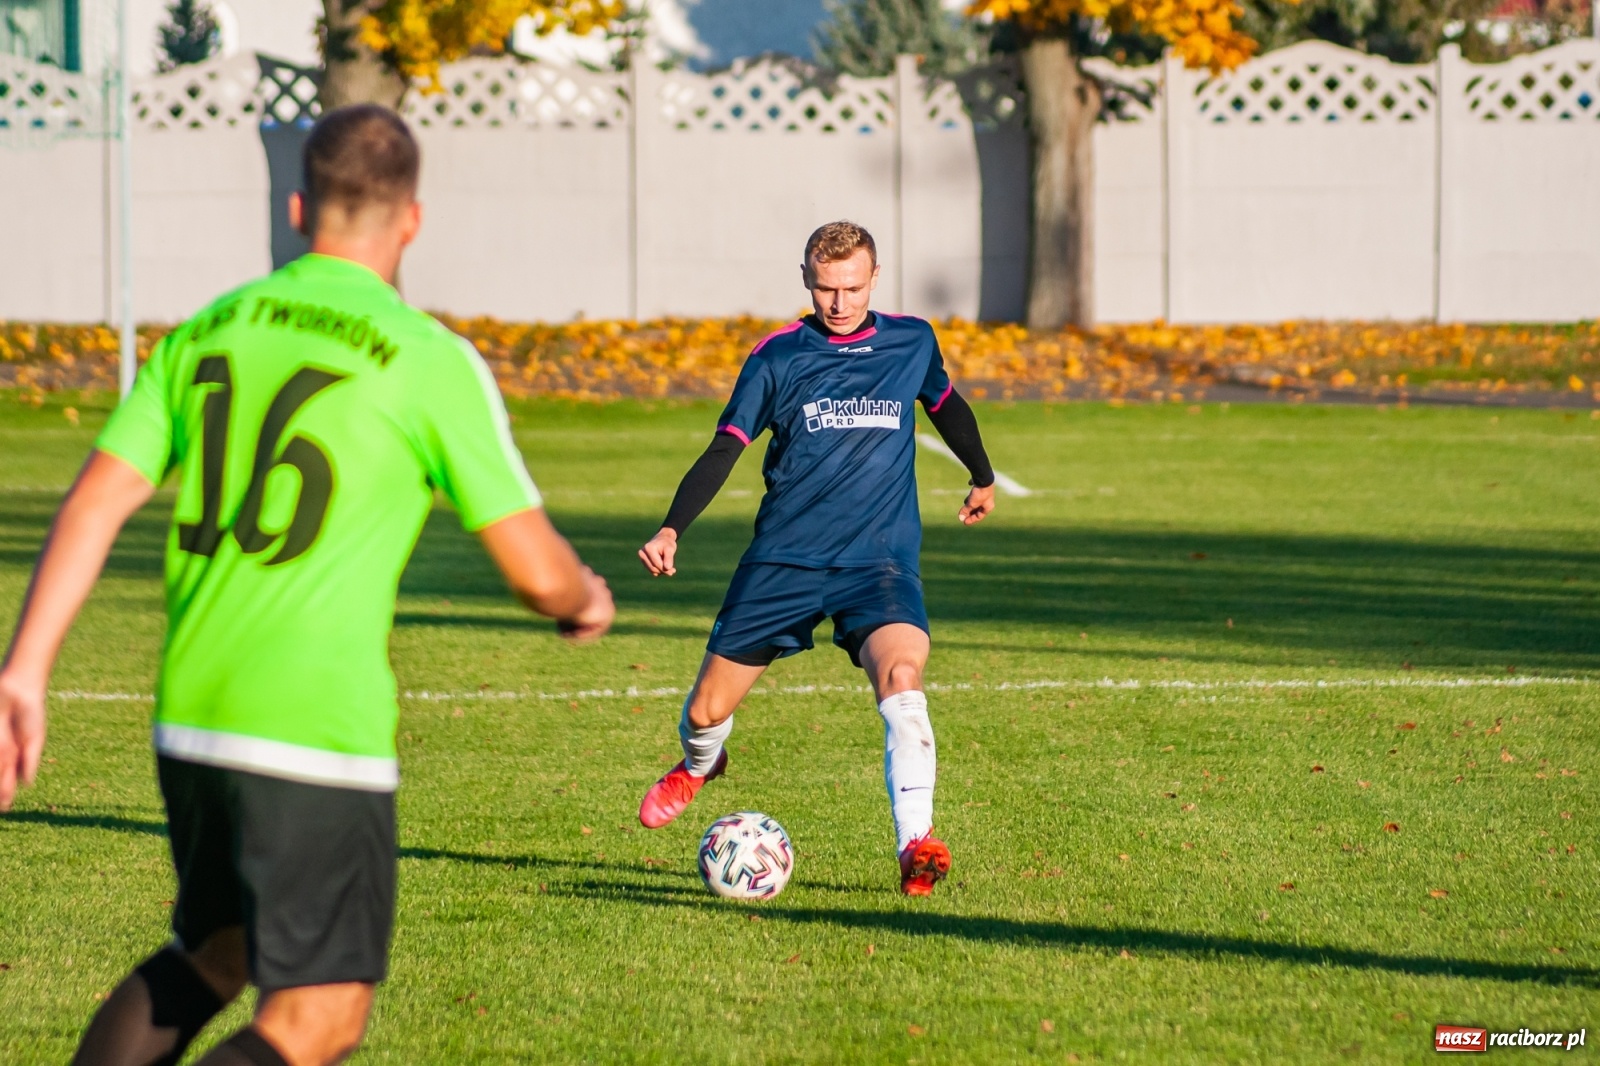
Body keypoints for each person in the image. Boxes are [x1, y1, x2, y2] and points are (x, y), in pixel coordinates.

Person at [0, 105, 614, 1066]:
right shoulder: (425, 358)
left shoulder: (212, 328)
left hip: (191, 708)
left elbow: (93, 502)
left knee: (212, 953)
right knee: (318, 1018)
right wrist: (588, 597)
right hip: (312, 726)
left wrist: (23, 673)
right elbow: (539, 576)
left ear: (299, 208)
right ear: (412, 219)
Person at [636, 221, 995, 896]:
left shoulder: (911, 341)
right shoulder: (778, 357)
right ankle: (697, 766)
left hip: (878, 563)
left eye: (852, 287)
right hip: (786, 562)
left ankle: (914, 843)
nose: (838, 302)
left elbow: (946, 406)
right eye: (826, 288)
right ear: (806, 279)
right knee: (707, 710)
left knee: (904, 679)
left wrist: (982, 474)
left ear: (875, 277)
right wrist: (672, 526)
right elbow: (726, 447)